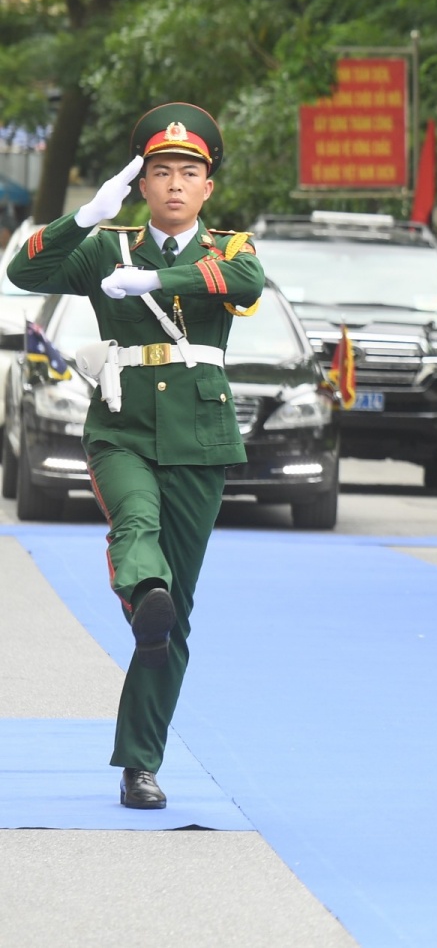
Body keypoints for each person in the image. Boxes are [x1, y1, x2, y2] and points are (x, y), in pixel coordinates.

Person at [7, 104, 264, 810]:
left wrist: (159, 283)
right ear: (140, 183)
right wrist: (84, 215)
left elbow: (245, 287)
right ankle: (139, 588)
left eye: (189, 172)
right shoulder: (108, 247)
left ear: (207, 187)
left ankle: (140, 763)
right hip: (120, 428)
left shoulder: (229, 246)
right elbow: (24, 272)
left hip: (199, 438)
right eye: (160, 172)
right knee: (135, 520)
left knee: (172, 620)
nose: (175, 184)